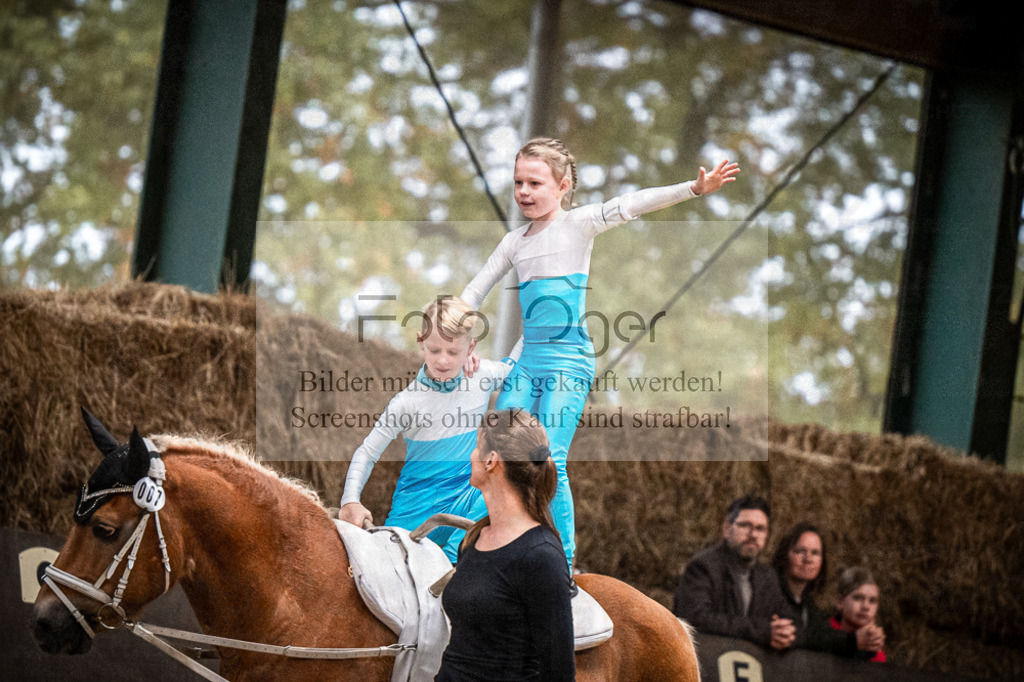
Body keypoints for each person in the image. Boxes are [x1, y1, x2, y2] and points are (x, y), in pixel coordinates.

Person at [461, 137, 740, 568]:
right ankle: (471, 544)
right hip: (528, 359)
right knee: (494, 450)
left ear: (563, 186)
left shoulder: (580, 224)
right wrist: (457, 334)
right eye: (518, 182)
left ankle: (564, 561)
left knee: (548, 456)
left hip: (568, 360)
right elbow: (475, 289)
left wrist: (693, 189)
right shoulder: (515, 242)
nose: (524, 192)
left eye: (535, 182)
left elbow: (634, 203)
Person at [338, 296, 520, 562]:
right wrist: (350, 499)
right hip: (414, 515)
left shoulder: (482, 376)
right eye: (435, 350)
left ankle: (455, 563)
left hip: (464, 509)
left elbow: (515, 366)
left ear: (471, 348)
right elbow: (367, 452)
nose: (443, 361)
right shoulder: (406, 402)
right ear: (421, 342)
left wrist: (539, 318)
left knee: (505, 478)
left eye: (453, 352)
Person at [435, 408, 575, 681]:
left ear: (491, 461)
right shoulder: (474, 540)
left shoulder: (541, 555)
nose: (471, 455)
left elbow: (559, 673)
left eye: (477, 447)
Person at [673, 495, 798, 650]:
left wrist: (786, 634)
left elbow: (790, 621)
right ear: (727, 529)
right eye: (745, 525)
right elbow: (697, 618)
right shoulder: (703, 567)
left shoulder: (767, 576)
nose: (753, 534)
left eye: (760, 528)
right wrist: (762, 631)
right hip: (707, 664)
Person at [772, 521, 884, 657]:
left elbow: (826, 643)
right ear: (785, 555)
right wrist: (852, 641)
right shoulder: (768, 593)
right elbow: (801, 636)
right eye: (800, 551)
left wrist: (868, 644)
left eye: (815, 553)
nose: (808, 559)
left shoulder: (810, 608)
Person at [830, 566, 887, 663]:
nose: (866, 606)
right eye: (858, 598)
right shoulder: (824, 633)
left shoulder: (876, 650)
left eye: (872, 601)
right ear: (840, 602)